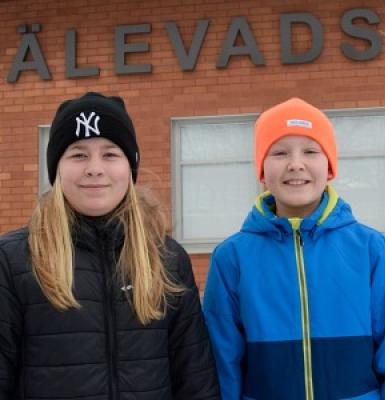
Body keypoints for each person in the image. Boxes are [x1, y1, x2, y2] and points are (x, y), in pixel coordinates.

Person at [203, 97, 385, 399]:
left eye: (310, 151)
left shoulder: (370, 250)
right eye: (280, 152)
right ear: (261, 170)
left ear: (330, 168)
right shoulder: (232, 258)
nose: (295, 164)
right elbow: (221, 363)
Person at [0, 92, 220, 400]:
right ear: (57, 169)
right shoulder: (14, 260)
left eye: (110, 154)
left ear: (130, 166)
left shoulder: (167, 258)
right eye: (78, 155)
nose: (94, 168)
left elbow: (195, 380)